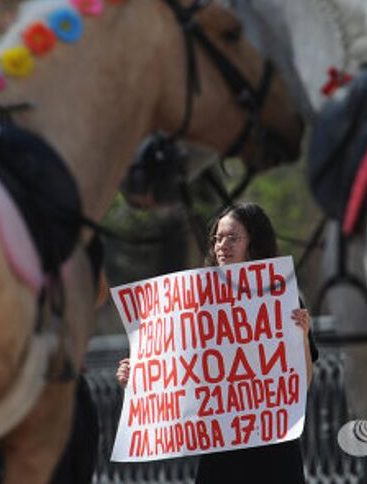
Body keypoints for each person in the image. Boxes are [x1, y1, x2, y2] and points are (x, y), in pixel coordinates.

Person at [116, 202, 318, 484]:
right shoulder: (195, 304)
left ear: (255, 244)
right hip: (221, 456)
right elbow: (179, 376)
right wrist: (138, 382)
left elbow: (301, 384)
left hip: (274, 453)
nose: (222, 245)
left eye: (233, 238)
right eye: (217, 238)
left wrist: (302, 339)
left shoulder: (281, 301)